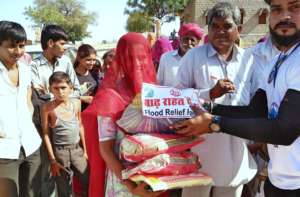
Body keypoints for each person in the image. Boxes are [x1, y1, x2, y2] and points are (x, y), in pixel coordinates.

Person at [172, 0, 300, 196]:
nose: (285, 17)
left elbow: (285, 130)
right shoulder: (278, 61)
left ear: (239, 29)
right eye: (276, 9)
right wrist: (209, 104)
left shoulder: (255, 60)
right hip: (278, 178)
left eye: (295, 7)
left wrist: (214, 122)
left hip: (277, 172)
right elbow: (256, 111)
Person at [175, 3, 257, 197]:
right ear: (208, 29)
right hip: (199, 151)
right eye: (215, 26)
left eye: (227, 26)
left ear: (239, 29)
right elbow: (176, 97)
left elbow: (255, 101)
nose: (220, 32)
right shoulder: (193, 57)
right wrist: (209, 94)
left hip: (235, 150)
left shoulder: (250, 60)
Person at [81, 32, 162, 197]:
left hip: (153, 179)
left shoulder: (155, 93)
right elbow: (106, 150)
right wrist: (132, 186)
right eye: (132, 57)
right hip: (124, 183)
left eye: (143, 57)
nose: (138, 63)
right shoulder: (110, 97)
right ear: (122, 59)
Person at [30, 24, 81, 197]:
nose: (66, 47)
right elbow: (38, 96)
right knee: (48, 168)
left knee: (70, 171)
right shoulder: (34, 66)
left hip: (67, 124)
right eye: (62, 43)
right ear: (50, 43)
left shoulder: (66, 62)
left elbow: (76, 90)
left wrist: (51, 95)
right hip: (44, 123)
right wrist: (62, 95)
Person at [0, 20, 41, 197]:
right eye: (11, 46)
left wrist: (27, 120)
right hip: (4, 149)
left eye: (21, 46)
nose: (17, 52)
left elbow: (28, 101)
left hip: (31, 145)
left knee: (31, 194)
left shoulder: (25, 70)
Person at [41, 71, 89, 197]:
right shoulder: (48, 108)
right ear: (50, 89)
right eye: (56, 88)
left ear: (71, 88)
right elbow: (46, 134)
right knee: (63, 188)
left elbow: (80, 125)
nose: (60, 92)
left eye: (63, 88)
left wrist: (85, 151)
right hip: (60, 153)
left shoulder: (76, 103)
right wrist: (53, 160)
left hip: (77, 150)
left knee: (87, 182)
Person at [74, 44, 99, 111]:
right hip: (76, 114)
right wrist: (82, 98)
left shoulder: (94, 74)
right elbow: (63, 96)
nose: (92, 63)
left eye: (94, 60)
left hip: (91, 114)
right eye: (88, 60)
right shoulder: (71, 76)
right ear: (79, 58)